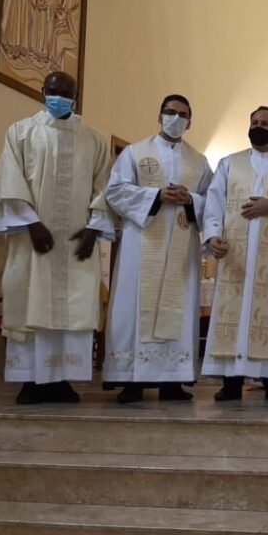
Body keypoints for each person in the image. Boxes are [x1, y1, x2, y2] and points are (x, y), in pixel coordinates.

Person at [0, 71, 113, 404]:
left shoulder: (94, 139)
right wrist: (31, 223)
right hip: (33, 240)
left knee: (73, 307)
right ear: (43, 92)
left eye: (66, 93)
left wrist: (94, 229)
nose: (59, 97)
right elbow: (10, 180)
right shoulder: (21, 132)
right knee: (31, 301)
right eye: (53, 91)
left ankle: (61, 381)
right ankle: (31, 381)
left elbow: (104, 187)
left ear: (75, 96)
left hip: (76, 243)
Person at [102, 94, 213, 404]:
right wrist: (156, 196)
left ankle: (172, 381)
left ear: (190, 123)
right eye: (170, 112)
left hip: (181, 245)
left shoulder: (199, 162)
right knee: (133, 306)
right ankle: (131, 381)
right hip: (141, 243)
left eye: (182, 115)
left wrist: (191, 199)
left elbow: (214, 202)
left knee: (179, 307)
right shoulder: (134, 153)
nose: (175, 118)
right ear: (159, 116)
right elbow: (115, 191)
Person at [202, 106, 268, 402]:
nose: (258, 127)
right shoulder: (229, 164)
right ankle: (231, 382)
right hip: (234, 256)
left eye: (265, 123)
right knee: (232, 316)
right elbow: (214, 202)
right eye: (254, 122)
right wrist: (213, 235)